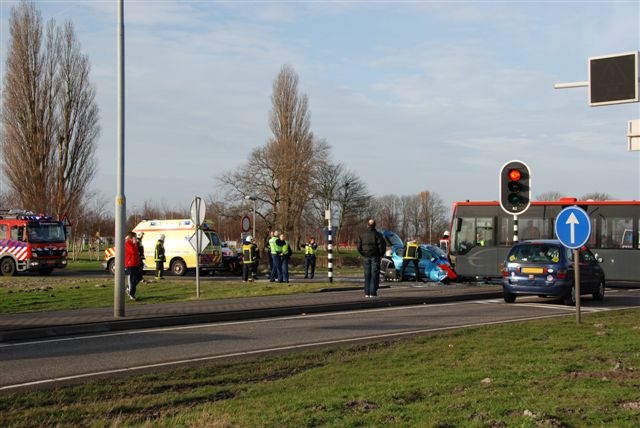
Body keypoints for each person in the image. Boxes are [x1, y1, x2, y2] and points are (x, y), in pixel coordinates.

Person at [357, 219, 386, 298]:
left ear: (367, 225)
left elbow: (359, 247)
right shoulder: (378, 235)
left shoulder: (362, 235)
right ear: (374, 225)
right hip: (375, 256)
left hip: (366, 256)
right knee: (374, 274)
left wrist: (363, 253)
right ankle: (373, 292)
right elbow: (382, 246)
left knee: (367, 274)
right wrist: (380, 255)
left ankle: (367, 292)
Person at [125, 232, 142, 300]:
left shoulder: (133, 244)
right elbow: (133, 252)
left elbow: (137, 253)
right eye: (134, 237)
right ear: (131, 238)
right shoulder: (128, 244)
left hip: (135, 264)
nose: (136, 239)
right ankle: (131, 294)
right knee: (131, 279)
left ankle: (129, 288)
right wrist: (135, 244)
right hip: (130, 264)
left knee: (139, 277)